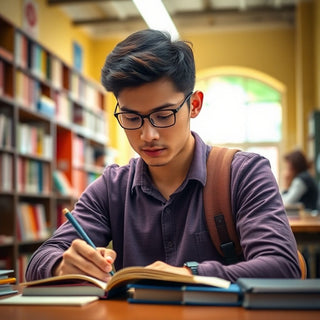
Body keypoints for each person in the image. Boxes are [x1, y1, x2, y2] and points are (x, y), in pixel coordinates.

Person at [26, 29, 301, 283]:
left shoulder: (243, 174)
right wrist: (63, 265)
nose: (148, 135)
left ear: (194, 105)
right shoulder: (112, 187)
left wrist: (187, 274)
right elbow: (38, 260)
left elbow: (283, 267)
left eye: (163, 115)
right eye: (131, 117)